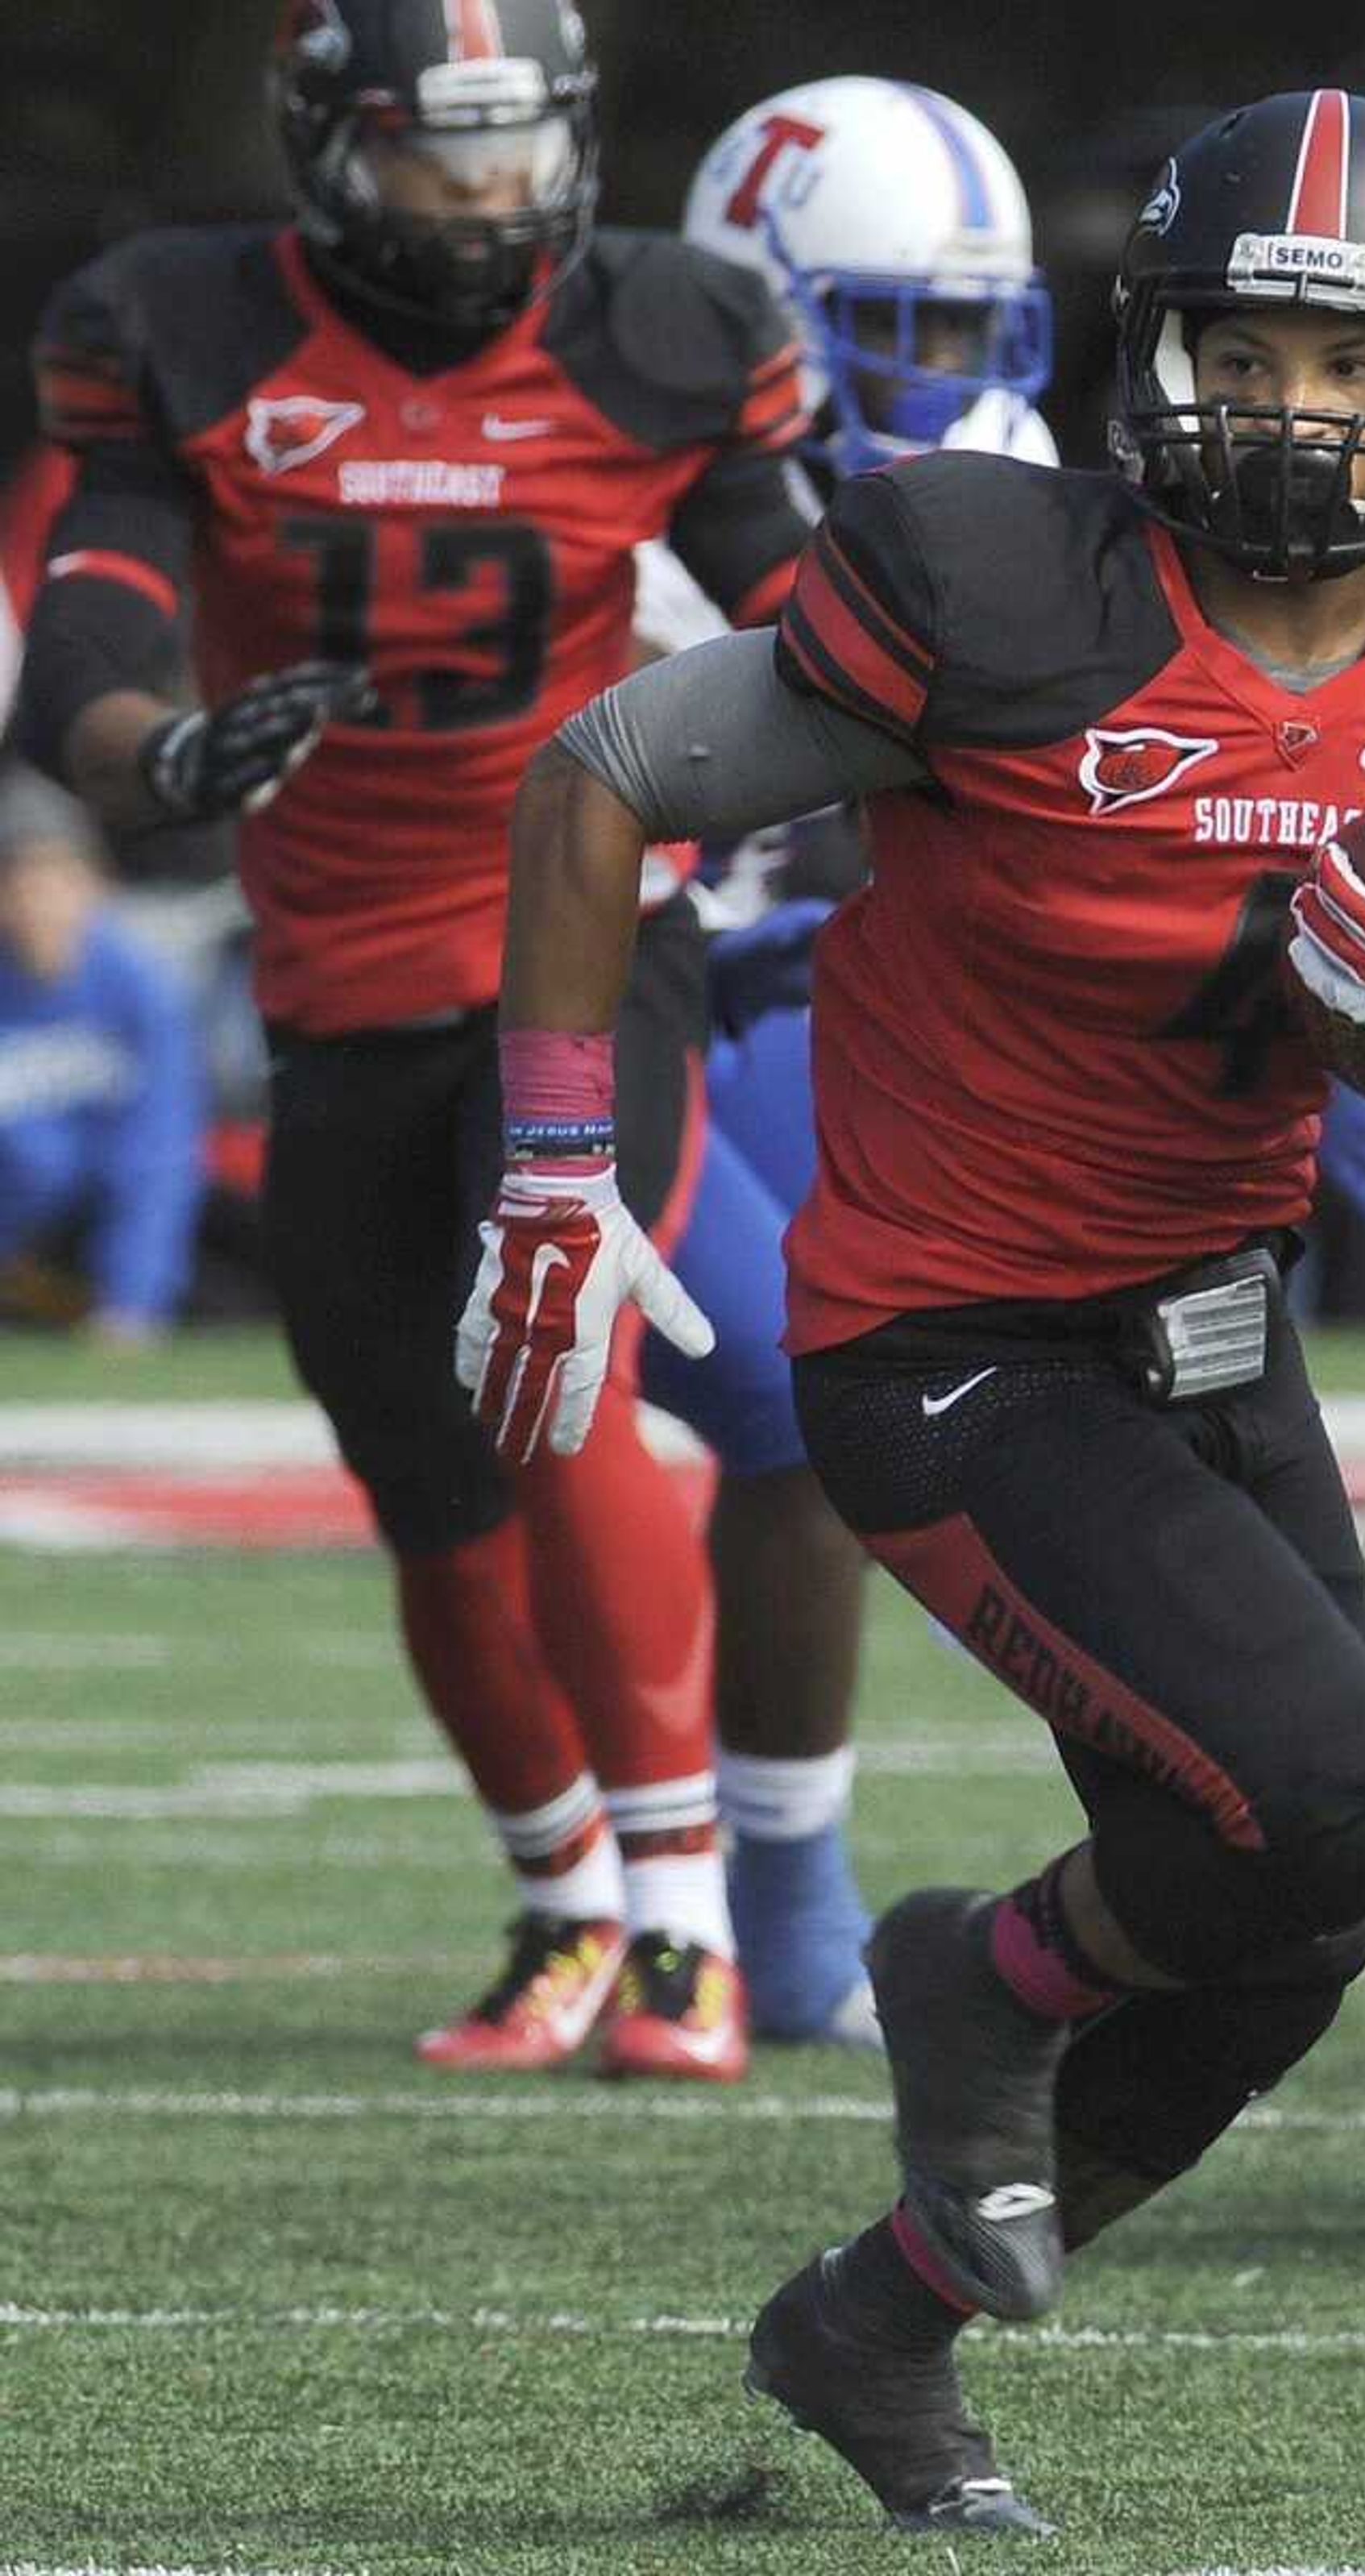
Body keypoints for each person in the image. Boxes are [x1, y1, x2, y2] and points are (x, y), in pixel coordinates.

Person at [458, 89, 1365, 2533]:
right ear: (1160, 354)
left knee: (1290, 1931)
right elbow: (601, 777)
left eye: (1359, 365)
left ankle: (872, 2332)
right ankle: (972, 1985)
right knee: (1338, 1795)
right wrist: (563, 1167)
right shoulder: (1001, 590)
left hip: (1214, 1325)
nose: (1301, 411)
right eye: (1254, 347)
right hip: (951, 1336)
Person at [10, 0, 815, 2075]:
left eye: (511, 155)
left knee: (559, 1364)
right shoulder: (182, 329)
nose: (480, 208)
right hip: (340, 962)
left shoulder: (667, 331)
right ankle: (559, 1896)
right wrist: (164, 745)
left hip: (578, 929)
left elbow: (813, 608)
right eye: (431, 161)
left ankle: (683, 1919)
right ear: (329, 152)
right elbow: (87, 625)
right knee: (422, 1471)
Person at [621, 76, 1066, 2045]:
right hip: (625, 999)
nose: (946, 368)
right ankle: (734, 1898)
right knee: (791, 1417)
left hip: (829, 992)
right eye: (897, 317)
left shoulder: (1007, 468)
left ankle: (734, 1885)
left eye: (969, 322)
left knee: (926, 1386)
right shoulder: (633, 490)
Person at [0, 767, 203, 1343]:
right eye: (18, 884)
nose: (37, 905)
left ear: (93, 885)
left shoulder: (139, 987)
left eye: (54, 881)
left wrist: (132, 1302)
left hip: (87, 1238)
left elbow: (158, 1154)